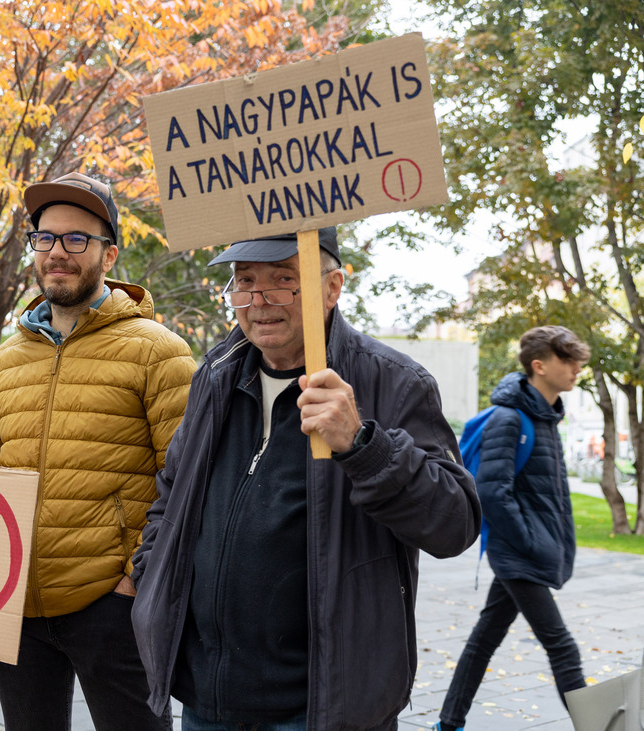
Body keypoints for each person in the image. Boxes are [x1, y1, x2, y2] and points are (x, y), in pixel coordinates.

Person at [130, 228, 482, 731]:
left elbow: (455, 525)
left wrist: (363, 444)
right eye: (245, 281)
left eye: (284, 279)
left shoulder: (395, 382)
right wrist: (152, 576)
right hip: (208, 700)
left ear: (333, 287)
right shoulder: (215, 374)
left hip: (322, 707)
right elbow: (173, 493)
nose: (260, 299)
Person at [0, 172, 196, 730]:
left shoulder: (158, 352)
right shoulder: (8, 356)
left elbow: (189, 479)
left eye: (77, 239)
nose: (58, 252)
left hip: (111, 601)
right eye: (45, 238)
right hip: (11, 599)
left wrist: (135, 582)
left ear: (109, 252)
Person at [436, 325, 591, 731]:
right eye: (567, 360)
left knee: (483, 640)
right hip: (518, 554)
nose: (577, 368)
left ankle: (448, 724)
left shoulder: (546, 418)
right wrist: (530, 542)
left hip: (524, 551)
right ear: (539, 366)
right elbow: (491, 492)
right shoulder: (511, 418)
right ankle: (597, 726)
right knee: (562, 646)